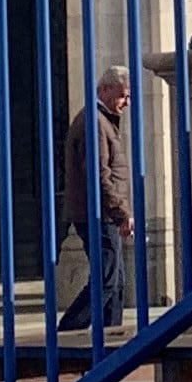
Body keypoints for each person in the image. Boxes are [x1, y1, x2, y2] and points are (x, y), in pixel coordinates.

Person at [53, 67, 135, 337]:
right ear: (105, 90)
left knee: (117, 282)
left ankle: (111, 340)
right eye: (123, 96)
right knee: (106, 281)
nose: (127, 102)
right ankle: (66, 336)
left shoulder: (102, 121)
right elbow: (99, 175)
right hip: (97, 214)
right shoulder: (95, 123)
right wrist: (121, 212)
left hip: (103, 213)